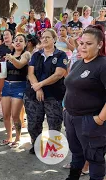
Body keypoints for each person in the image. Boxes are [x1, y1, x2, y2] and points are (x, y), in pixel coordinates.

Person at [63, 25, 106, 180]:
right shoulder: (78, 63)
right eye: (81, 43)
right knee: (77, 153)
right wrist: (65, 110)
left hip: (90, 120)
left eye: (89, 44)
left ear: (99, 44)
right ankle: (73, 177)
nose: (83, 47)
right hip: (71, 118)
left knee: (94, 157)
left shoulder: (102, 65)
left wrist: (100, 119)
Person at [24, 28, 67, 154]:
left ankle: (53, 148)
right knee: (34, 122)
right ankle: (36, 144)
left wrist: (40, 85)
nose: (44, 39)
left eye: (48, 37)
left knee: (54, 123)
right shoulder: (36, 55)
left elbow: (58, 74)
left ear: (54, 40)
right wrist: (38, 88)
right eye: (43, 37)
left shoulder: (61, 55)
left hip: (54, 95)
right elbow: (30, 73)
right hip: (34, 95)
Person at [0, 34, 31, 148]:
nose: (18, 42)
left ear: (25, 43)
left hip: (19, 86)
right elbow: (4, 73)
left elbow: (20, 65)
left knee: (15, 115)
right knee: (6, 115)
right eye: (16, 40)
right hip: (7, 85)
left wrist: (11, 59)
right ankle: (9, 137)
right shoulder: (9, 55)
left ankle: (17, 137)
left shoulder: (26, 54)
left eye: (21, 41)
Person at [0, 29, 14, 117]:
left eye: (7, 34)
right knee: (0, 89)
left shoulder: (15, 46)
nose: (5, 36)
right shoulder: (1, 47)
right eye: (4, 35)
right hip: (2, 68)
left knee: (11, 91)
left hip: (12, 70)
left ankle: (9, 112)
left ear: (12, 36)